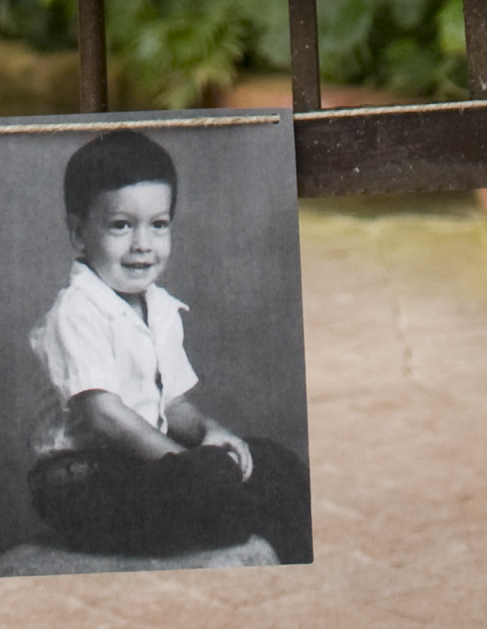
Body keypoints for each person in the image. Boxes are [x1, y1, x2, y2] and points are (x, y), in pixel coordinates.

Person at [24, 127, 309, 560]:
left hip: (143, 466)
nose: (143, 245)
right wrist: (181, 461)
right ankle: (238, 510)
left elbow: (171, 405)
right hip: (80, 480)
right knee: (204, 480)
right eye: (121, 226)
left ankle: (254, 517)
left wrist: (211, 433)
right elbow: (104, 415)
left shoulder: (159, 308)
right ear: (79, 233)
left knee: (270, 460)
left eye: (158, 226)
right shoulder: (77, 311)